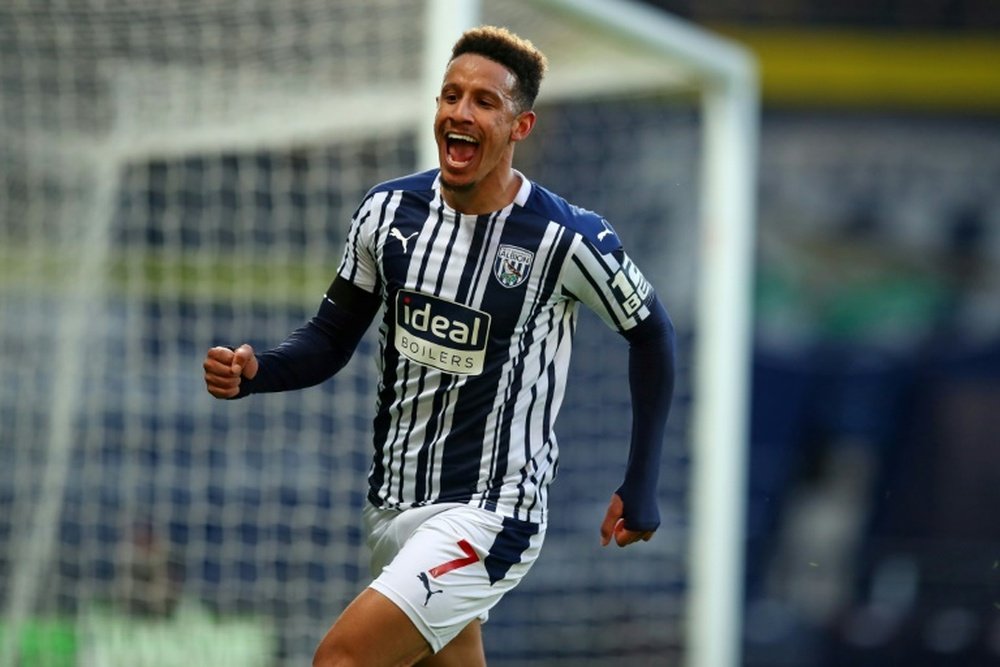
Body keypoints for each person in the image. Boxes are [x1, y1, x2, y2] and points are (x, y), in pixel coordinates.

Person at [203, 25, 675, 667]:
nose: (460, 111)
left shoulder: (564, 239)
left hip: (490, 514)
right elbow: (331, 337)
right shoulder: (386, 213)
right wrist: (259, 371)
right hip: (391, 508)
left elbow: (651, 332)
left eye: (485, 101)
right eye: (451, 96)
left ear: (520, 126)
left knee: (339, 659)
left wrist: (640, 482)